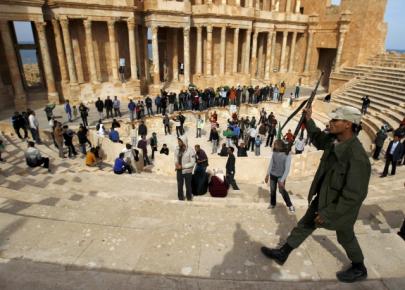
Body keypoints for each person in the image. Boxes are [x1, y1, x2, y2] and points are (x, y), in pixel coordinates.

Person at [261, 105, 371, 283]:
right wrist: (308, 119)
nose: (331, 122)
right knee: (304, 224)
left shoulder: (356, 157)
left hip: (340, 208)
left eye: (336, 120)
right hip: (324, 197)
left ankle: (359, 267)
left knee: (346, 236)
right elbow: (319, 139)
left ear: (348, 124)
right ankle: (283, 253)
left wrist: (328, 213)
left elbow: (354, 195)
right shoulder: (334, 140)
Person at [265, 139, 295, 212]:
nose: (273, 145)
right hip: (273, 175)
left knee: (282, 191)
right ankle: (272, 204)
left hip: (281, 177)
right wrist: (267, 174)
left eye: (275, 144)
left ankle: (290, 205)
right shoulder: (274, 153)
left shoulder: (287, 155)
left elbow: (287, 169)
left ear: (279, 145)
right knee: (272, 190)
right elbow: (271, 163)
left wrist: (282, 180)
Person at [174, 135, 196, 201]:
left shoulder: (191, 150)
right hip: (179, 170)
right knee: (179, 186)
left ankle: (189, 198)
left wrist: (183, 166)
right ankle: (180, 198)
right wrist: (176, 163)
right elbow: (175, 157)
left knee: (188, 186)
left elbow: (193, 162)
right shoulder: (177, 149)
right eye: (178, 141)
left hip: (187, 171)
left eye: (179, 141)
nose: (178, 142)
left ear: (184, 142)